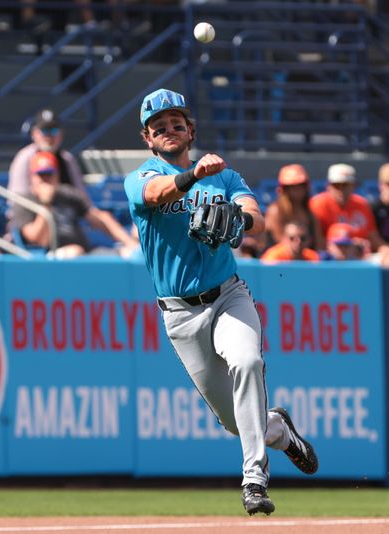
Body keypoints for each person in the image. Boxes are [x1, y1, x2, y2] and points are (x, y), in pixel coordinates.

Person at [124, 88, 318, 516]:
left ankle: (254, 479)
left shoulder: (223, 176)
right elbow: (157, 194)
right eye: (160, 127)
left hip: (228, 295)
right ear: (148, 139)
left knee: (247, 362)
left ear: (190, 130)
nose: (170, 131)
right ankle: (280, 432)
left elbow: (258, 219)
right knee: (237, 422)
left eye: (177, 124)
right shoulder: (139, 176)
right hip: (180, 314)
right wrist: (192, 177)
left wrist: (239, 221)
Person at [10, 150, 137, 258]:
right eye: (41, 175)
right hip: (46, 257)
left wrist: (130, 243)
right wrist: (46, 204)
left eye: (49, 174)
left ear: (57, 175)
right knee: (75, 251)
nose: (46, 180)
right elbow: (38, 240)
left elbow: (100, 219)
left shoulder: (68, 194)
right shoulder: (24, 201)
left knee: (126, 254)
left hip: (84, 253)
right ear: (32, 177)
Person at [309, 163, 389, 265]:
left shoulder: (362, 204)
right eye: (337, 185)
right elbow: (317, 242)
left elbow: (373, 238)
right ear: (328, 186)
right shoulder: (318, 204)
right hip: (329, 257)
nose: (341, 190)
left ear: (354, 185)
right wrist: (347, 245)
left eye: (345, 185)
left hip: (361, 257)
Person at [8, 108, 88, 199]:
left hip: (64, 211)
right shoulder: (24, 158)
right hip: (32, 211)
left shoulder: (66, 159)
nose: (49, 136)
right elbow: (17, 199)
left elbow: (82, 196)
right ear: (34, 134)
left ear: (61, 134)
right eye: (44, 131)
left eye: (54, 131)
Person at [264, 163, 324, 252]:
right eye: (292, 186)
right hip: (279, 261)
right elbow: (281, 243)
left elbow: (319, 242)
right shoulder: (276, 211)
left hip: (307, 261)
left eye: (301, 185)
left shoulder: (310, 212)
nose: (298, 189)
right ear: (284, 189)